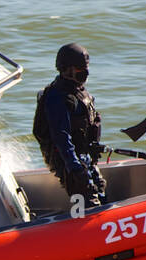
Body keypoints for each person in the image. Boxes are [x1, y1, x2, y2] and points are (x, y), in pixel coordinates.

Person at [32, 42, 107, 207]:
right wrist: (74, 168)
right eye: (80, 70)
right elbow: (61, 135)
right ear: (66, 70)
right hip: (69, 160)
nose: (85, 73)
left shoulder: (80, 92)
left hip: (84, 156)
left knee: (100, 188)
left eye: (86, 68)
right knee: (87, 200)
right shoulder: (56, 97)